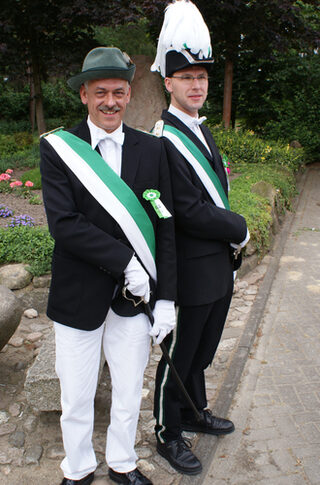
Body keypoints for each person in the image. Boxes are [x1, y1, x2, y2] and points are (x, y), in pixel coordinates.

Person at [40, 47, 176, 485]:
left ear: (130, 93)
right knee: (75, 394)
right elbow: (65, 225)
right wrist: (126, 262)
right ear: (84, 95)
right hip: (79, 292)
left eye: (119, 92)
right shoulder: (60, 150)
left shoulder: (152, 150)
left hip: (135, 300)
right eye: (101, 92)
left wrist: (168, 295)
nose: (111, 102)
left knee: (128, 389)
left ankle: (122, 462)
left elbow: (166, 226)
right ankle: (77, 468)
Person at [150, 0, 250, 476]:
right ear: (168, 82)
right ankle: (168, 432)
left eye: (202, 77)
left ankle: (194, 411)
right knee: (180, 355)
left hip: (217, 269)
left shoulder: (200, 130)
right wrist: (240, 227)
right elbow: (186, 211)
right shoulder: (163, 137)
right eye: (187, 77)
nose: (197, 85)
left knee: (204, 351)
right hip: (189, 272)